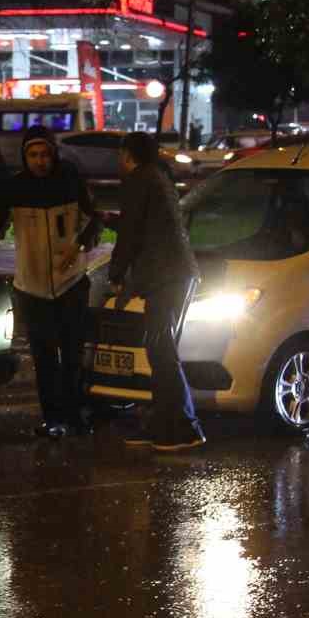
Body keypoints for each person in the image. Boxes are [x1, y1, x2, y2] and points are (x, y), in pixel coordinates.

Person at [0, 124, 102, 437]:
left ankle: (75, 415)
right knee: (44, 358)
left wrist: (79, 246)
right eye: (33, 155)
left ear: (54, 155)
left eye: (45, 155)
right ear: (25, 158)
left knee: (72, 355)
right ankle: (52, 419)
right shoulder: (15, 189)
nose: (40, 161)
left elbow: (95, 219)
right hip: (32, 287)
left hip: (72, 283)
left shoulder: (71, 182)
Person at [107, 131, 204, 452]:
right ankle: (163, 425)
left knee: (161, 349)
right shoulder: (157, 177)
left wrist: (116, 273)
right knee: (158, 348)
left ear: (127, 154)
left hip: (168, 276)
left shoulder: (138, 179)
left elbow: (133, 232)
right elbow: (144, 225)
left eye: (120, 154)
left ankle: (186, 428)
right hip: (173, 274)